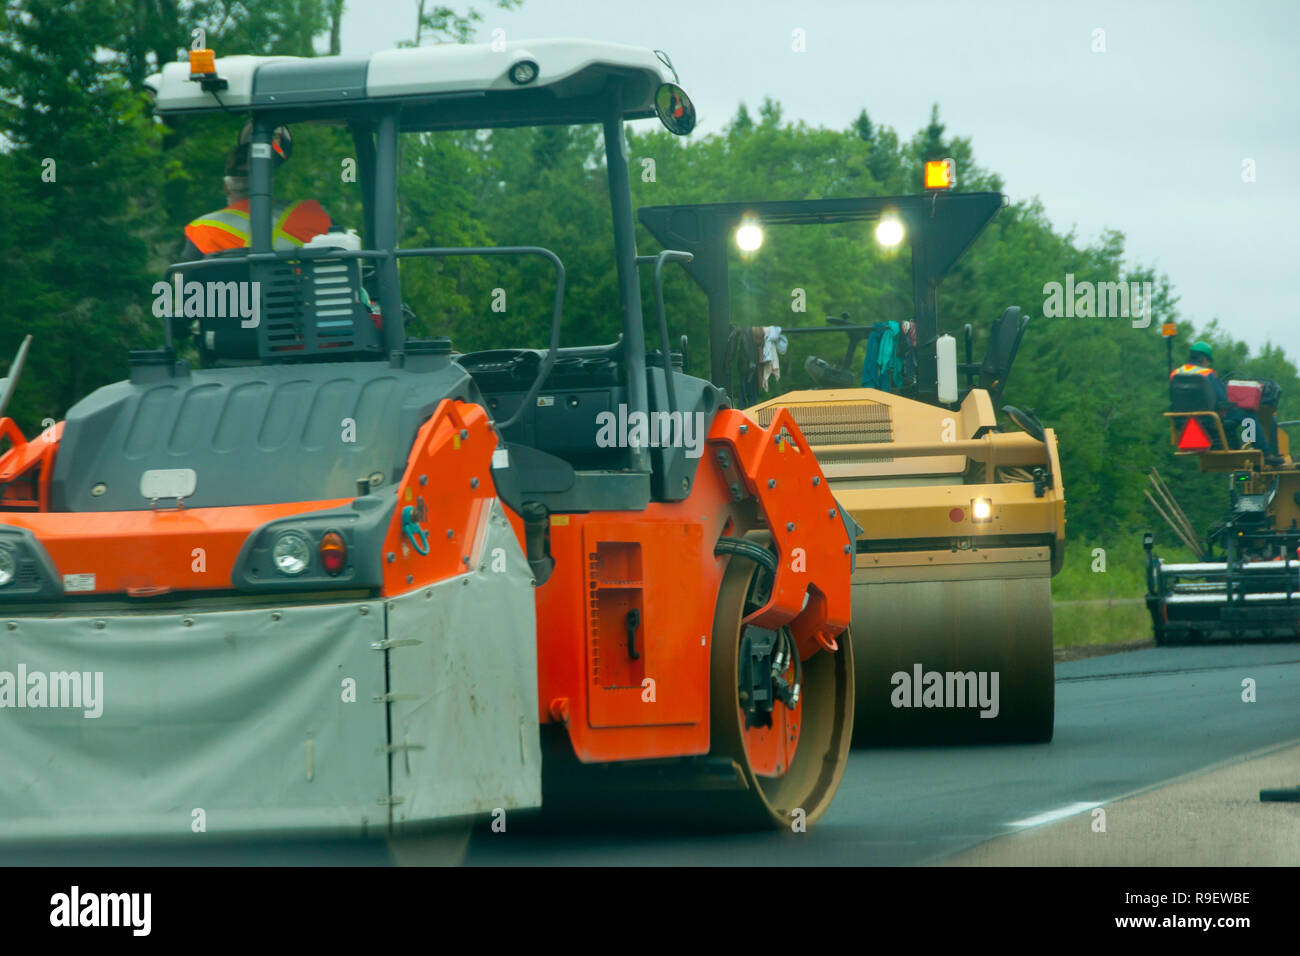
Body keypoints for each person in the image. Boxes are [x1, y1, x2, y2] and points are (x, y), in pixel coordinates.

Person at [181, 123, 331, 259]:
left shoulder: (203, 230)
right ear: (270, 181)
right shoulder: (311, 214)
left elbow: (183, 284)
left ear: (227, 186)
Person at [1171, 341, 1276, 459]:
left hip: (1181, 422)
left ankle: (1233, 445)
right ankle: (1265, 452)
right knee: (1248, 415)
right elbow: (1222, 399)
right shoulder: (1206, 373)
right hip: (1208, 420)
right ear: (1204, 359)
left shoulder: (1175, 374)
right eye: (1208, 361)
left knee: (1233, 415)